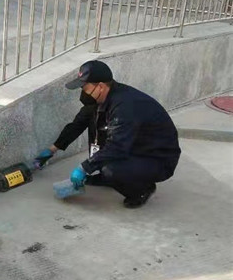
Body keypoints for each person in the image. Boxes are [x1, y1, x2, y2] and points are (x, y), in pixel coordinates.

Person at [34, 60, 181, 208]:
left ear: (100, 86)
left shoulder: (125, 106)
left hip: (157, 158)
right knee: (97, 127)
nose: (83, 92)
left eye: (85, 88)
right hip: (134, 147)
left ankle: (142, 189)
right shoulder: (99, 100)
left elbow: (117, 146)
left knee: (111, 169)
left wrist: (84, 167)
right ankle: (111, 177)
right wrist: (52, 150)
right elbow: (77, 125)